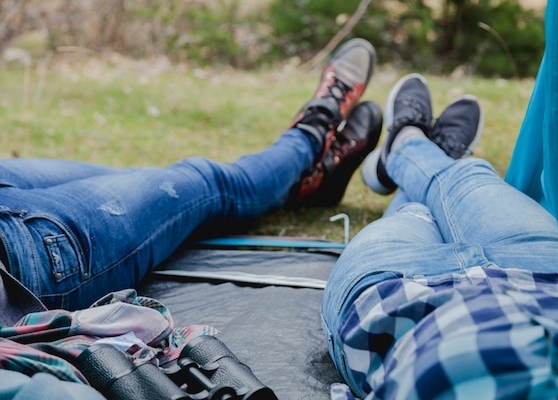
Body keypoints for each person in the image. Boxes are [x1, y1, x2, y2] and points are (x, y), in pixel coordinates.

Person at [0, 37, 383, 318]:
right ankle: (314, 127)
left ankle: (305, 184)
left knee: (165, 184)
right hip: (26, 253)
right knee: (205, 182)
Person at [320, 72, 558, 399]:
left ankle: (406, 143)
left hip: (395, 304)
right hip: (551, 276)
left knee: (416, 212)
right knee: (471, 175)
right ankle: (426, 151)